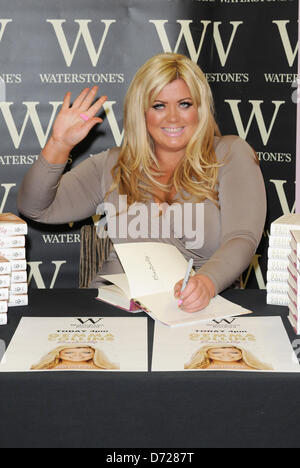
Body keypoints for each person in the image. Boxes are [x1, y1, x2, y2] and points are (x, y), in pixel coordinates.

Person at [18, 53, 267, 313]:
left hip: (195, 310)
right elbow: (35, 207)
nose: (173, 118)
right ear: (142, 112)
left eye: (184, 104)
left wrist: (207, 282)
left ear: (200, 109)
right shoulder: (113, 164)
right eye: (158, 105)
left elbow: (242, 237)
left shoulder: (229, 154)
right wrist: (59, 145)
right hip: (115, 310)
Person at [31, 344, 120, 370]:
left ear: (95, 354)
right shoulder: (40, 367)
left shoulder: (109, 367)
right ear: (58, 353)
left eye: (86, 352)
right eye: (69, 352)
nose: (77, 355)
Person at [184, 345, 273, 371]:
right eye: (217, 352)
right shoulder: (193, 368)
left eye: (234, 352)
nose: (226, 355)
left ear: (242, 354)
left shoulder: (258, 368)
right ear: (206, 354)